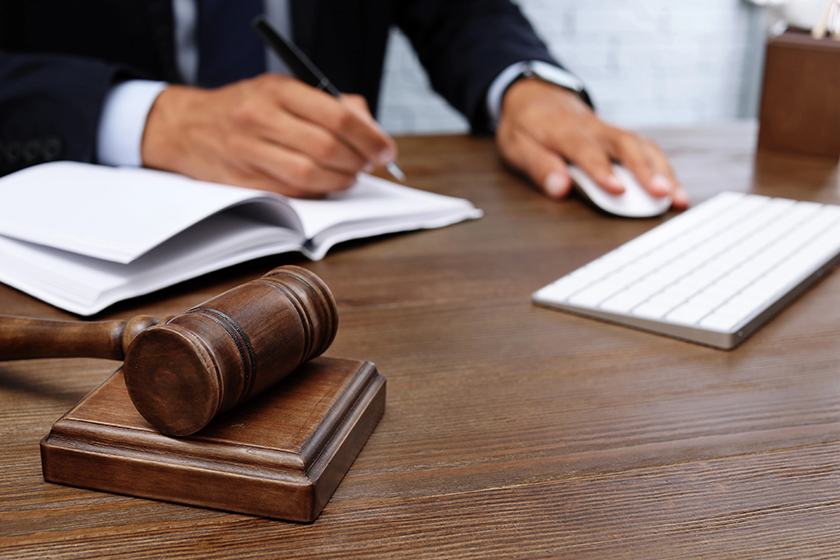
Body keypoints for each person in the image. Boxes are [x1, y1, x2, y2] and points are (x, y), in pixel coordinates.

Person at [0, 0, 688, 207]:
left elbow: (464, 12)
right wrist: (150, 117)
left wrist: (524, 85)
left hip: (334, 232)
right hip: (80, 242)